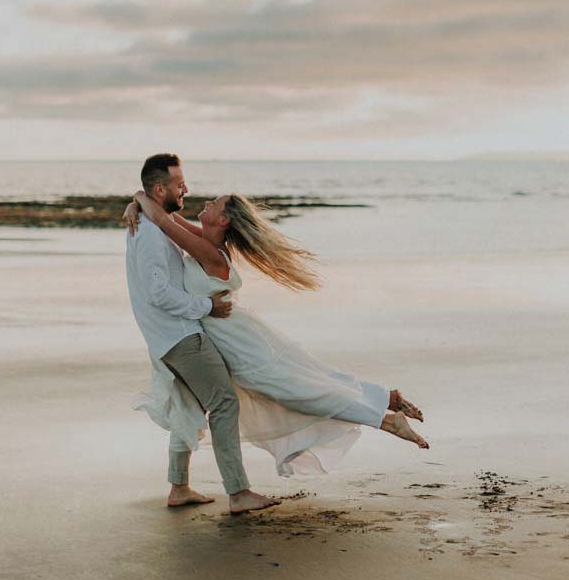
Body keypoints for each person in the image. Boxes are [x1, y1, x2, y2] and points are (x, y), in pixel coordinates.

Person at [124, 162, 428, 478]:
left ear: (224, 219)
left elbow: (162, 218)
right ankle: (386, 399)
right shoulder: (206, 242)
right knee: (309, 378)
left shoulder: (208, 252)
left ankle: (385, 420)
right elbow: (167, 218)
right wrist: (138, 198)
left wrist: (139, 198)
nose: (207, 202)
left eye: (215, 203)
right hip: (237, 335)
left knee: (301, 391)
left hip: (239, 344)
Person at [124, 153, 280, 513]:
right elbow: (158, 294)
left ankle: (179, 487)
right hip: (179, 336)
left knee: (187, 403)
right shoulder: (149, 234)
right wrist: (208, 308)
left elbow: (163, 219)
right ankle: (238, 492)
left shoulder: (151, 223)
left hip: (167, 337)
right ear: (160, 189)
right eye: (179, 184)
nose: (186, 189)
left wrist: (137, 200)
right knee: (224, 402)